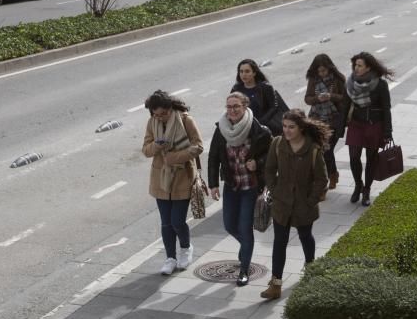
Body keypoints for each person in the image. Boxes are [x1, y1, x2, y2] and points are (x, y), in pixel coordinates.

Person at [261, 109, 330, 301]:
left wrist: (310, 200)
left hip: (303, 205)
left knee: (305, 236)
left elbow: (321, 179)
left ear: (301, 128)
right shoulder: (277, 144)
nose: (287, 130)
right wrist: (274, 190)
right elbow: (269, 169)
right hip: (282, 204)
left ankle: (311, 268)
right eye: (284, 126)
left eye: (291, 127)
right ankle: (275, 285)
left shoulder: (313, 150)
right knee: (279, 242)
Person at [207, 91, 272, 286]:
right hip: (231, 186)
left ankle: (244, 269)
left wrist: (258, 163)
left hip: (250, 187)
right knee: (229, 225)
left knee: (245, 228)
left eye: (236, 106)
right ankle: (245, 247)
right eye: (229, 106)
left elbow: (271, 156)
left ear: (245, 107)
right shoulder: (221, 129)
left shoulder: (260, 130)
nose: (232, 110)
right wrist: (212, 184)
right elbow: (213, 158)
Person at [141, 90, 204, 276]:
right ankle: (170, 258)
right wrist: (157, 146)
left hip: (182, 177)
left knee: (177, 221)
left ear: (170, 108)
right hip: (160, 179)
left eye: (163, 114)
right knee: (166, 223)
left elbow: (198, 146)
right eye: (156, 114)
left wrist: (175, 157)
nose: (160, 118)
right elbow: (145, 150)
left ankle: (186, 248)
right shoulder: (152, 123)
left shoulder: (185, 120)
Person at [343, 51, 394, 207]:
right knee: (353, 157)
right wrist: (339, 128)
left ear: (368, 67)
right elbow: (345, 106)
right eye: (355, 65)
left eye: (359, 65)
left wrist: (387, 132)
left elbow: (386, 108)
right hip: (356, 124)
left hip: (374, 125)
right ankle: (358, 185)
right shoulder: (350, 83)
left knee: (371, 159)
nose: (356, 68)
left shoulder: (380, 84)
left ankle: (366, 190)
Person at [304, 53, 347, 194]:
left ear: (329, 68)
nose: (322, 73)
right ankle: (331, 175)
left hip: (334, 120)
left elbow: (345, 98)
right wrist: (317, 98)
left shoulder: (338, 79)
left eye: (324, 70)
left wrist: (331, 96)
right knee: (320, 151)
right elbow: (307, 99)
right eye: (319, 71)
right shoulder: (313, 79)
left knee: (327, 150)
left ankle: (329, 178)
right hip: (316, 119)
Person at [231, 59, 280, 132]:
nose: (244, 74)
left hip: (263, 127)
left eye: (247, 71)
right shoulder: (236, 88)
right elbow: (230, 106)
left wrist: (262, 121)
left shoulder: (265, 87)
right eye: (241, 71)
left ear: (254, 73)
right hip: (243, 127)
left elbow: (274, 106)